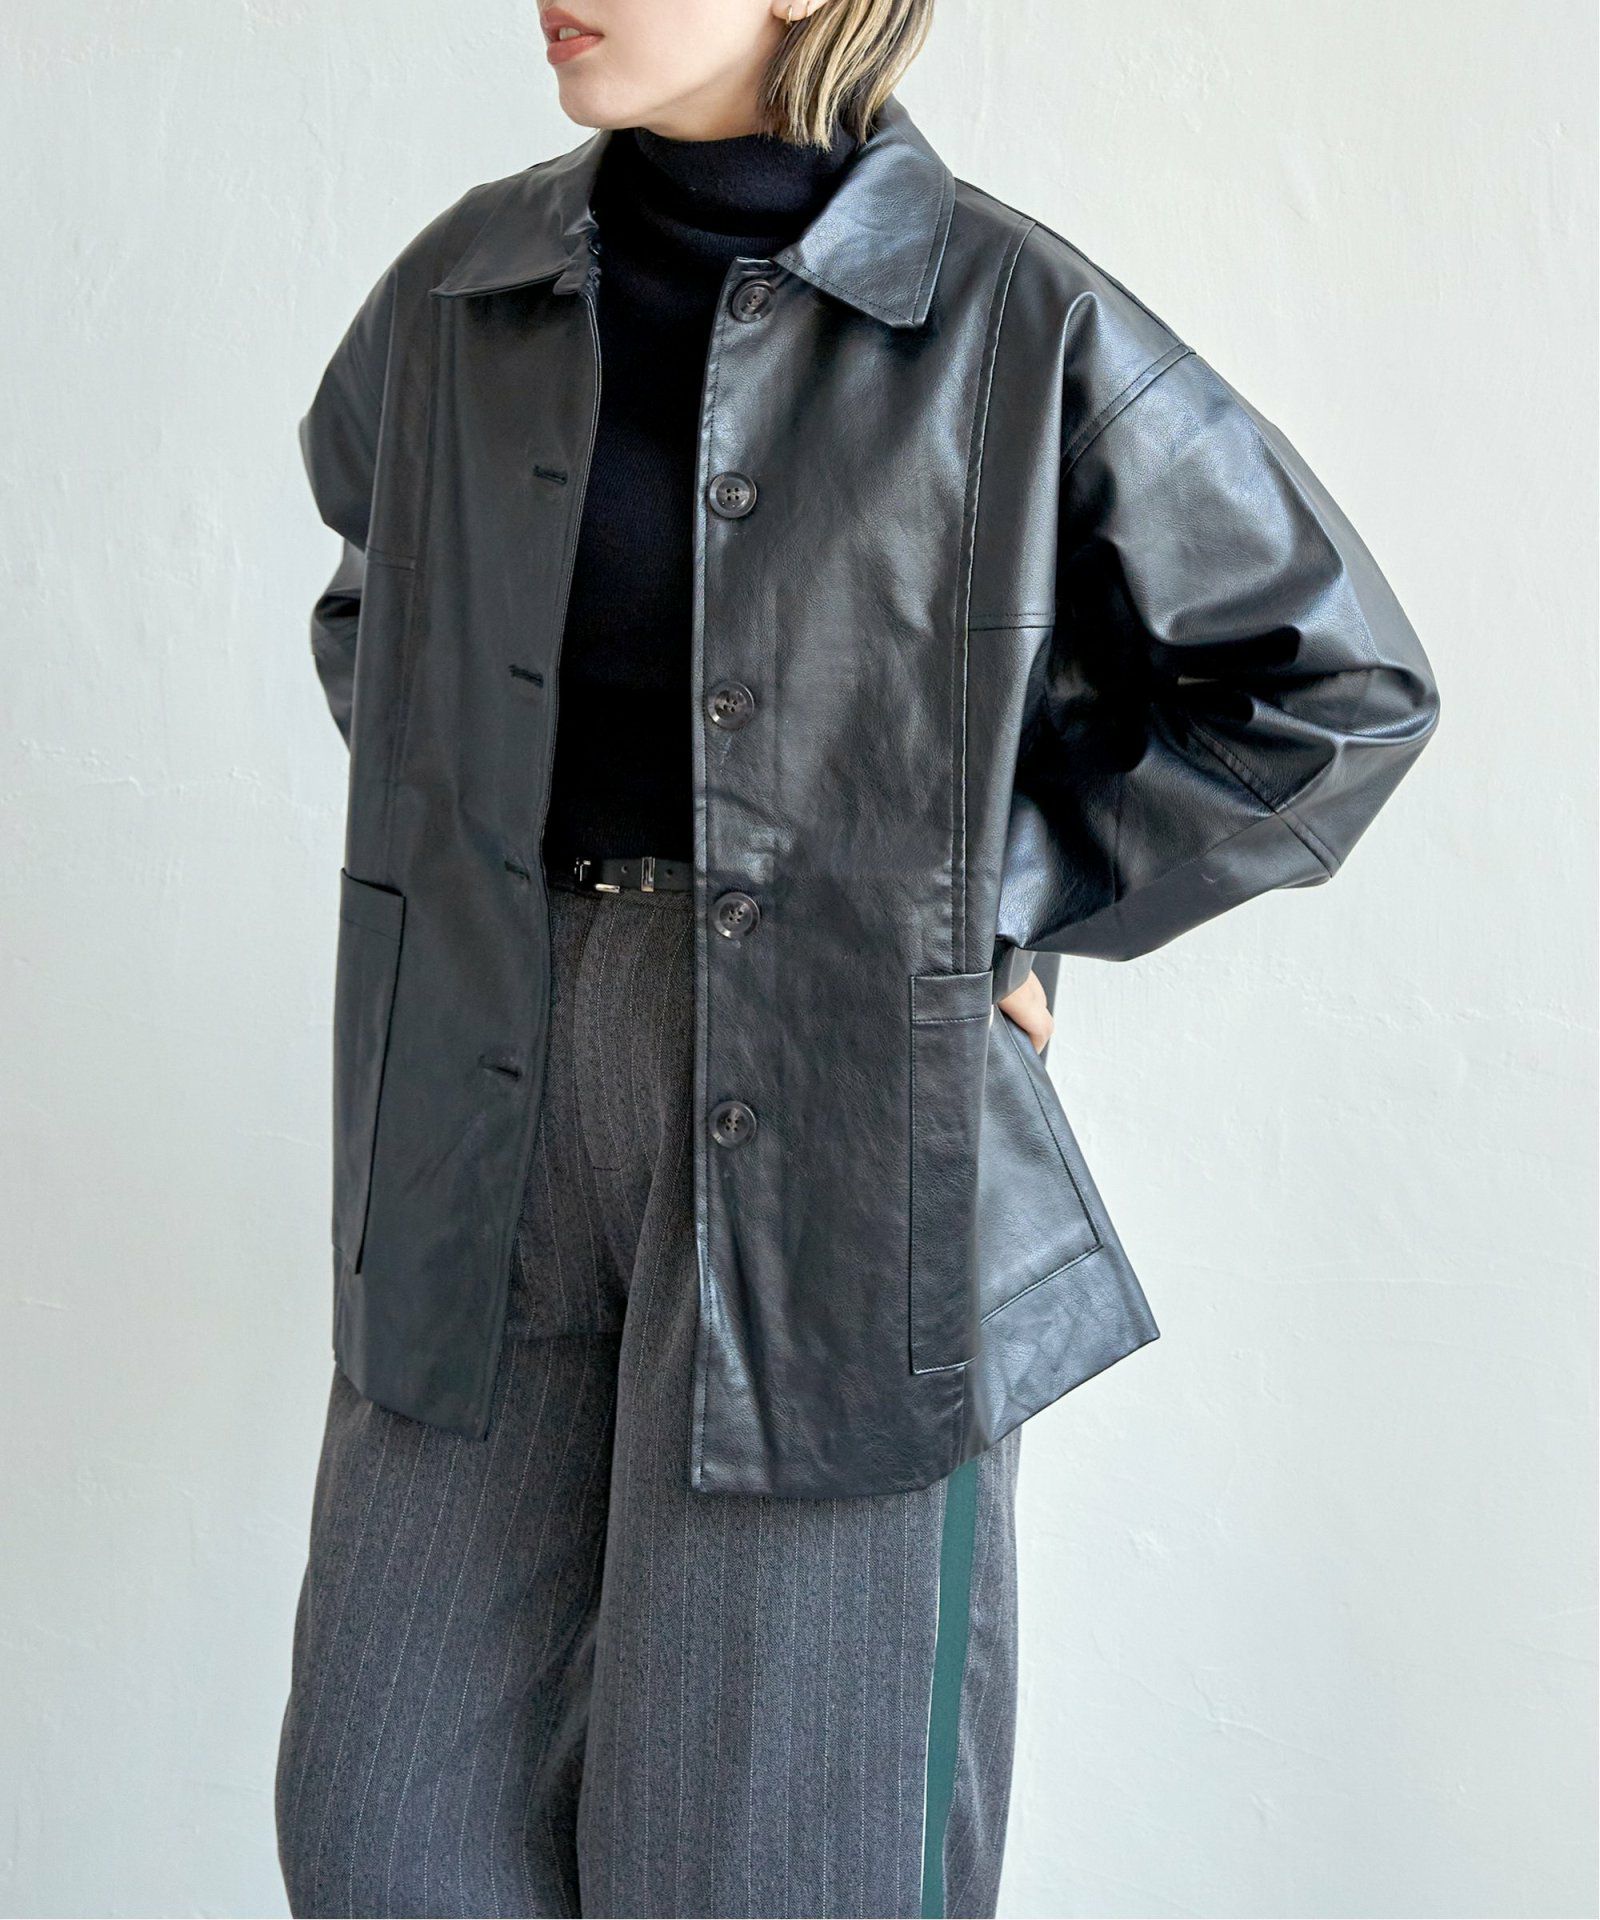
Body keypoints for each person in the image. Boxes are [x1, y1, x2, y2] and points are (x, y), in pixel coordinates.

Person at [273, 1, 1442, 1914]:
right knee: (383, 1829)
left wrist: (990, 889)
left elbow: (1331, 688)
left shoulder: (1008, 314)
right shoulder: (460, 292)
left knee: (763, 1857)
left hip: (841, 1128)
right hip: (478, 1096)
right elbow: (375, 602)